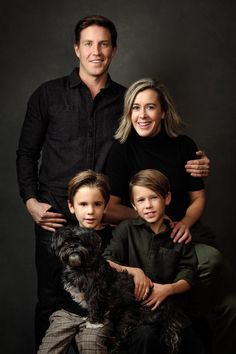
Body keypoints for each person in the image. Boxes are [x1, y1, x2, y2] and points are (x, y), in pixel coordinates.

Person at [16, 15, 210, 349]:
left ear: (114, 50)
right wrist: (31, 201)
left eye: (104, 44)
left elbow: (154, 147)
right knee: (51, 302)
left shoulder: (126, 102)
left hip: (107, 221)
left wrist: (196, 162)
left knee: (108, 305)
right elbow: (26, 153)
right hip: (56, 218)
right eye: (88, 43)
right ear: (77, 49)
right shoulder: (47, 95)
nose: (96, 51)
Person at [103, 77, 236, 354]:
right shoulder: (122, 149)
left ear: (163, 111)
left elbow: (198, 199)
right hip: (148, 234)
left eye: (150, 107)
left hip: (183, 231)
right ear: (128, 112)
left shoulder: (183, 145)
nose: (142, 115)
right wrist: (152, 217)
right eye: (135, 108)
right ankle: (182, 308)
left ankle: (188, 311)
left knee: (224, 289)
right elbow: (111, 208)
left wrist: (183, 223)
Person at [104, 169, 205, 354]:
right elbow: (106, 262)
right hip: (134, 312)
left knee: (196, 341)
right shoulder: (126, 230)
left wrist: (167, 289)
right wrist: (135, 271)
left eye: (154, 198)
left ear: (167, 198)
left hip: (169, 308)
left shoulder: (178, 234)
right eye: (141, 200)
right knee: (145, 337)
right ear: (134, 205)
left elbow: (189, 272)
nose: (148, 205)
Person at [38, 169, 113, 353]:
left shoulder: (115, 236)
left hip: (101, 311)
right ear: (71, 206)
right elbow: (54, 285)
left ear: (105, 205)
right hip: (67, 311)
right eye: (83, 204)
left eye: (97, 204)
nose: (90, 211)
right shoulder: (62, 239)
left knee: (91, 347)